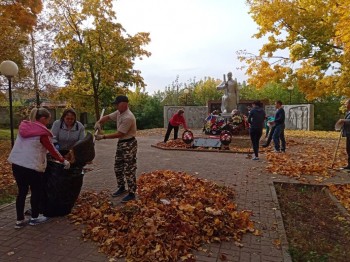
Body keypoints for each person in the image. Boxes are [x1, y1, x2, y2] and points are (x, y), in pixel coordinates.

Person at [8, 107, 71, 228]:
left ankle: (19, 220)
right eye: (48, 120)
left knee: (22, 192)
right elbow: (52, 150)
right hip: (31, 166)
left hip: (17, 164)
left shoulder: (24, 127)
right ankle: (34, 218)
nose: (48, 123)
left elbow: (31, 146)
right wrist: (64, 161)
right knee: (36, 191)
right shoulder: (41, 132)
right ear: (42, 119)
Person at [94, 95, 137, 203]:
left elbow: (119, 134)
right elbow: (108, 117)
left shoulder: (128, 117)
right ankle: (122, 187)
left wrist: (103, 137)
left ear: (123, 104)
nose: (116, 106)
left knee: (129, 169)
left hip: (129, 144)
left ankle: (132, 193)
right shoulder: (119, 112)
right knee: (118, 167)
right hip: (121, 144)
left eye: (117, 104)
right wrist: (99, 122)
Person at [336, 99, 350, 169]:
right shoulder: (348, 112)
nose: (345, 105)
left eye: (346, 103)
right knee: (348, 149)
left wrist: (343, 120)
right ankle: (349, 165)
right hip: (348, 133)